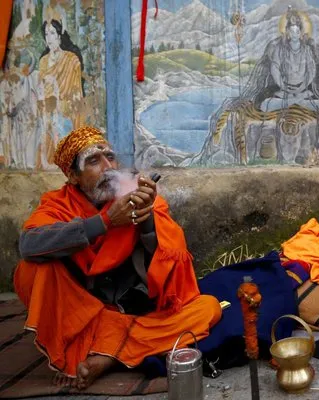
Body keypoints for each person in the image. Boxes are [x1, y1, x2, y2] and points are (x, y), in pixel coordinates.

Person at [14, 126, 222, 390]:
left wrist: (145, 219)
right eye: (93, 161)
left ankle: (106, 358)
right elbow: (29, 244)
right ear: (73, 176)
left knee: (209, 308)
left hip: (130, 310)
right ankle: (112, 349)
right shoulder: (58, 205)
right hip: (80, 315)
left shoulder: (131, 193)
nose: (108, 167)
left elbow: (166, 264)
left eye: (110, 158)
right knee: (31, 268)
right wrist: (105, 222)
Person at [37, 19, 84, 169]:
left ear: (59, 36)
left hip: (65, 111)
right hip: (48, 111)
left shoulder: (71, 59)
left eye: (52, 33)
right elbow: (40, 88)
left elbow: (77, 91)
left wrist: (65, 104)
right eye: (46, 34)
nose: (49, 38)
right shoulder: (43, 62)